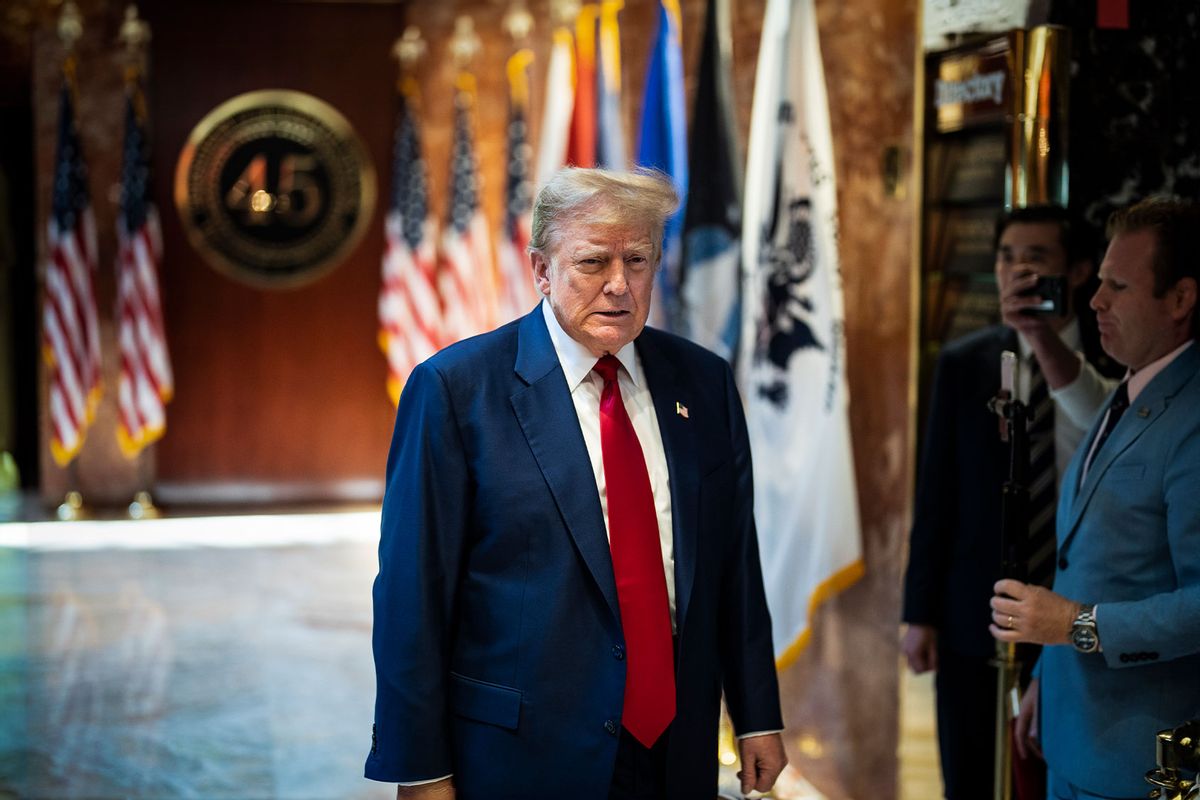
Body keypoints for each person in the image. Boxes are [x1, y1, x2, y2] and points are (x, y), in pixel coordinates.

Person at [365, 168, 786, 800]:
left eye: (637, 260)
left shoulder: (704, 383)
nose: (619, 285)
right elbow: (411, 595)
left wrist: (758, 715)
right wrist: (422, 768)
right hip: (525, 753)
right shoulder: (457, 391)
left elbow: (735, 569)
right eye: (592, 262)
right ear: (540, 268)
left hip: (677, 747)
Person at [901, 205, 1118, 798]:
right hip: (977, 606)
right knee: (970, 773)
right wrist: (919, 612)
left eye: (1036, 258)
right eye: (1006, 257)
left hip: (1075, 606)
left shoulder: (1113, 362)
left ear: (1077, 271)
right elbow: (936, 491)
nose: (1017, 270)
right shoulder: (965, 362)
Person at [990, 196, 1200, 800]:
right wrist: (1049, 678)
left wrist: (1075, 627)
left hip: (1147, 761)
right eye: (1099, 281)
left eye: (1118, 286)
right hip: (1076, 732)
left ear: (1181, 300)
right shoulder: (1139, 381)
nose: (1095, 300)